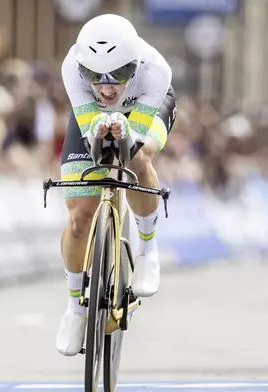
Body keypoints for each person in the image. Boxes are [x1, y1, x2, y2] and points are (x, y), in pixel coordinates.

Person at [56, 13, 177, 356]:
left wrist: (125, 135)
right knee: (80, 217)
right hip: (92, 116)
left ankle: (147, 250)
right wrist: (99, 128)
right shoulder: (71, 67)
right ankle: (75, 307)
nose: (107, 88)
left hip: (145, 109)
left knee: (139, 158)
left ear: (135, 66)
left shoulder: (156, 71)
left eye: (119, 76)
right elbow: (91, 136)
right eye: (95, 77)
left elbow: (132, 142)